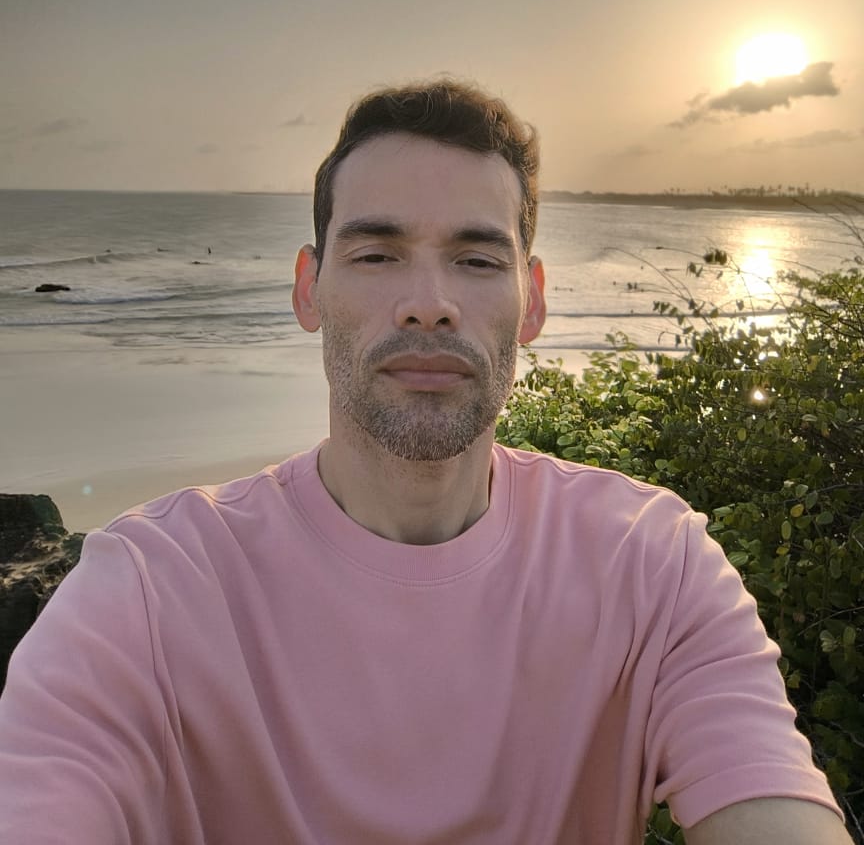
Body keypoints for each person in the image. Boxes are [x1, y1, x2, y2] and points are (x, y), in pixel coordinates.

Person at [0, 80, 851, 845]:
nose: (429, 305)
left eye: (477, 260)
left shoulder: (651, 564)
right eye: (376, 254)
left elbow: (769, 798)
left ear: (532, 302)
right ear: (308, 288)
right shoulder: (149, 590)